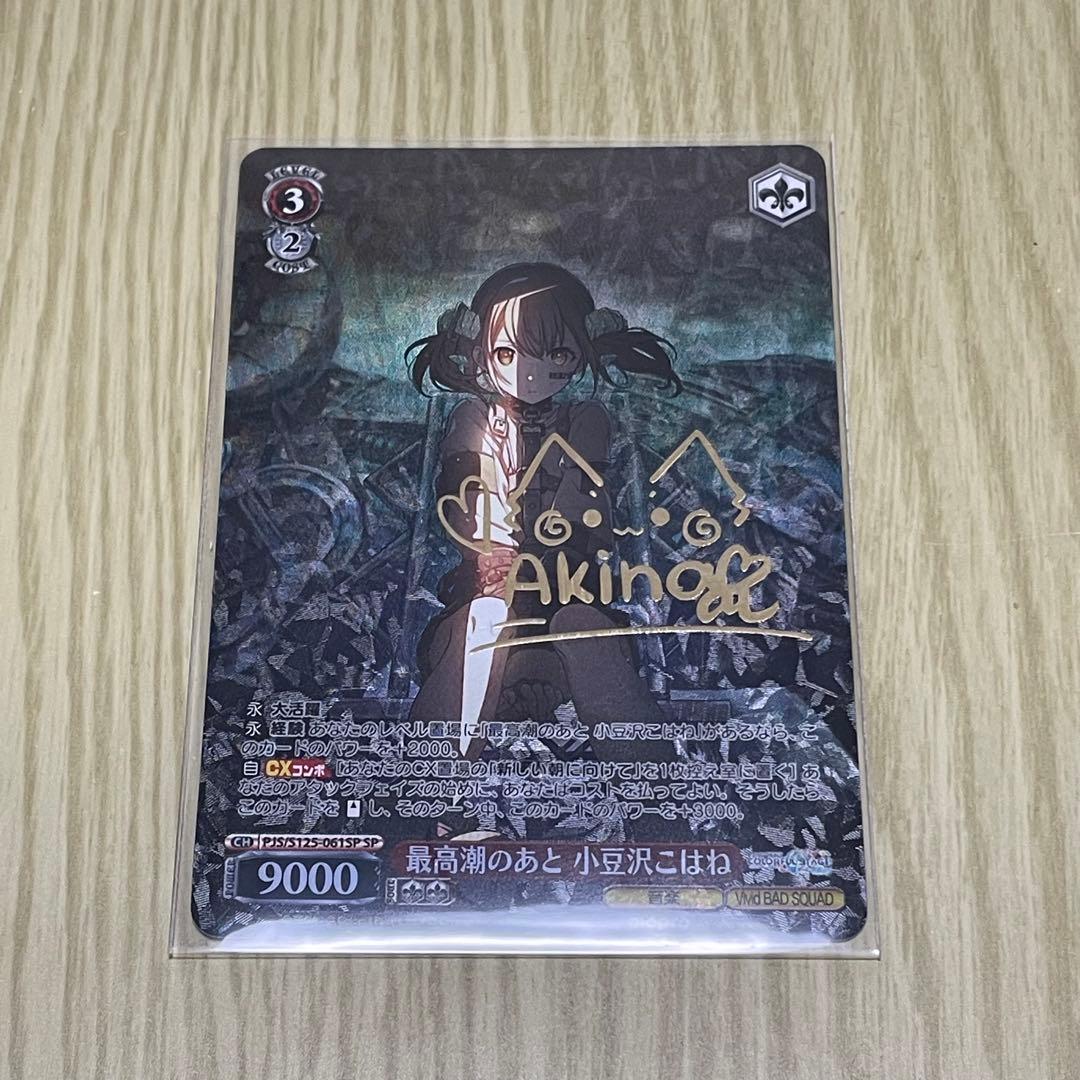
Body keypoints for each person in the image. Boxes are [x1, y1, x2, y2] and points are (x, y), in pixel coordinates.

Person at [405, 263, 680, 764]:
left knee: (580, 625)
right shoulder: (474, 416)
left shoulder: (586, 418)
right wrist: (493, 552)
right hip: (483, 607)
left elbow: (581, 506)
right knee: (486, 618)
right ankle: (431, 782)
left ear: (580, 353)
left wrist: (544, 562)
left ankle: (657, 792)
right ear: (480, 352)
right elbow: (472, 493)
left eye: (555, 353)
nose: (529, 371)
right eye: (507, 353)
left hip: (573, 604)